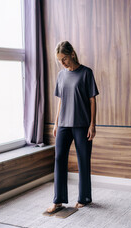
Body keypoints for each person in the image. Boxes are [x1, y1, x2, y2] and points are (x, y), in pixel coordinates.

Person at [47, 41, 99, 213]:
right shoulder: (61, 75)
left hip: (82, 125)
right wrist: (56, 123)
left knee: (83, 160)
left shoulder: (86, 73)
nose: (63, 63)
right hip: (63, 124)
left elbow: (92, 100)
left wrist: (92, 124)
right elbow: (60, 101)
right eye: (60, 60)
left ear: (72, 54)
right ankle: (58, 200)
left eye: (65, 58)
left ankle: (84, 197)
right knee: (59, 158)